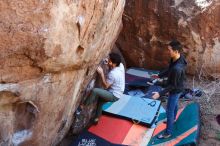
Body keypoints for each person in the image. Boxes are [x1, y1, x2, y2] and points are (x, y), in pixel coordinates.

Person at [151, 40, 187, 139]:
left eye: (170, 50)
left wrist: (159, 93)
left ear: (176, 51)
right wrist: (159, 75)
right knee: (174, 104)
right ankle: (174, 119)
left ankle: (168, 132)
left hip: (176, 89)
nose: (168, 52)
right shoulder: (177, 58)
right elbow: (169, 68)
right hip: (178, 86)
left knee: (169, 110)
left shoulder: (177, 68)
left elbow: (172, 86)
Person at [85, 53, 125, 124]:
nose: (108, 61)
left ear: (114, 64)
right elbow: (113, 65)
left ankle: (83, 106)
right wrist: (108, 63)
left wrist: (101, 74)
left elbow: (106, 86)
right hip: (119, 93)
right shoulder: (121, 65)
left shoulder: (113, 74)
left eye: (109, 61)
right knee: (100, 102)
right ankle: (96, 119)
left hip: (114, 95)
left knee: (95, 91)